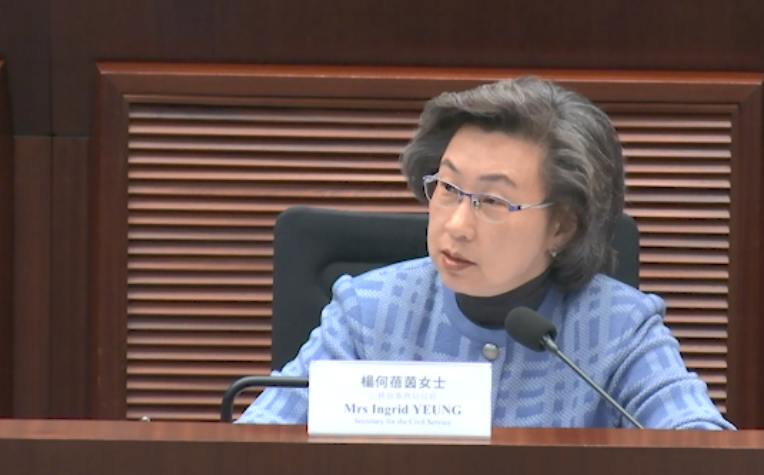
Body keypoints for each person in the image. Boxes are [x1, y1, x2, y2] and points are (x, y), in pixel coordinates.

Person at [238, 76, 733, 429]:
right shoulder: (369, 313)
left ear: (562, 225)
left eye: (492, 201)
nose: (456, 225)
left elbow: (701, 445)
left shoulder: (616, 327)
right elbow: (259, 441)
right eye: (448, 188)